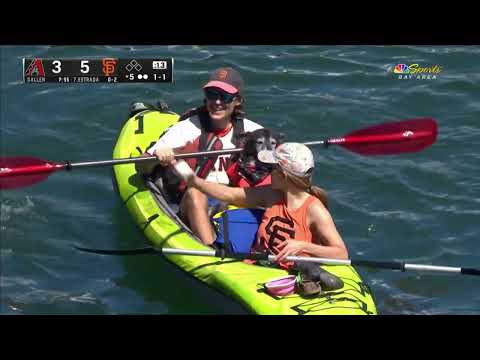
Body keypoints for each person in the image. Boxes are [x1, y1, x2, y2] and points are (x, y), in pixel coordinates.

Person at [172, 142, 347, 295]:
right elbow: (228, 194)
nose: (268, 173)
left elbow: (340, 253)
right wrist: (193, 180)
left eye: (273, 168)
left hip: (284, 273)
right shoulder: (270, 194)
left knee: (296, 265)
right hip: (254, 266)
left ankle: (308, 273)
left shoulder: (315, 210)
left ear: (284, 176)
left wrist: (303, 245)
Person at [137, 67, 263, 246]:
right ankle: (211, 251)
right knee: (196, 193)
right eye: (212, 94)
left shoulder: (253, 132)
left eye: (225, 96)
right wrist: (157, 156)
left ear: (237, 101)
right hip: (192, 201)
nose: (217, 101)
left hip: (233, 198)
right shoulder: (187, 129)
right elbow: (140, 166)